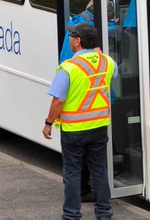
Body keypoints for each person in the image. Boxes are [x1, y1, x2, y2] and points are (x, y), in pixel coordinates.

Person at [45, 22, 116, 220]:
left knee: (73, 174)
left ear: (77, 41)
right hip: (99, 127)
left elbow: (58, 99)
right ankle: (104, 214)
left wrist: (48, 123)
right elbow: (114, 74)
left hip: (74, 130)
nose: (68, 39)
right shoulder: (106, 62)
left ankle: (71, 216)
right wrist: (100, 55)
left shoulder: (68, 67)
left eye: (71, 36)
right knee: (99, 172)